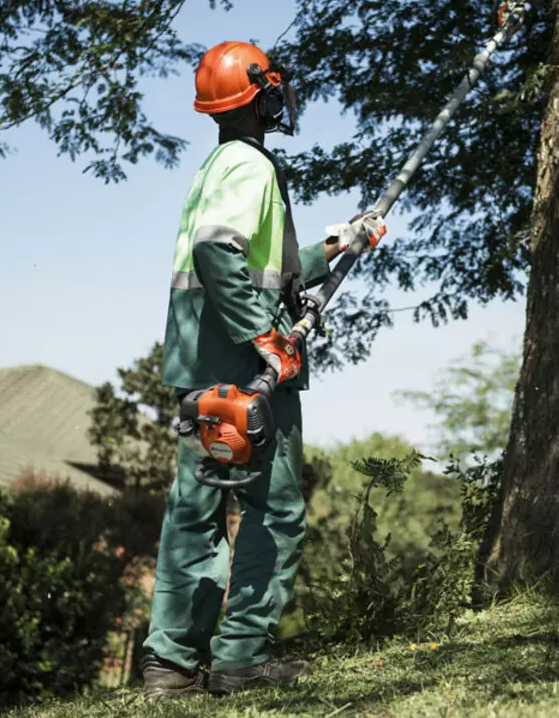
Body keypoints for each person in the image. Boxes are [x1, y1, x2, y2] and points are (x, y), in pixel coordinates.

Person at [140, 40, 385, 698]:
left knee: (196, 511)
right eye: (274, 86)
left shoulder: (218, 167)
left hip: (201, 364)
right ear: (259, 95)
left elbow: (261, 266)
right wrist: (265, 340)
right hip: (249, 370)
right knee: (272, 511)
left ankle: (169, 666)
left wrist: (339, 241)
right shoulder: (252, 167)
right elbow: (219, 252)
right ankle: (241, 656)